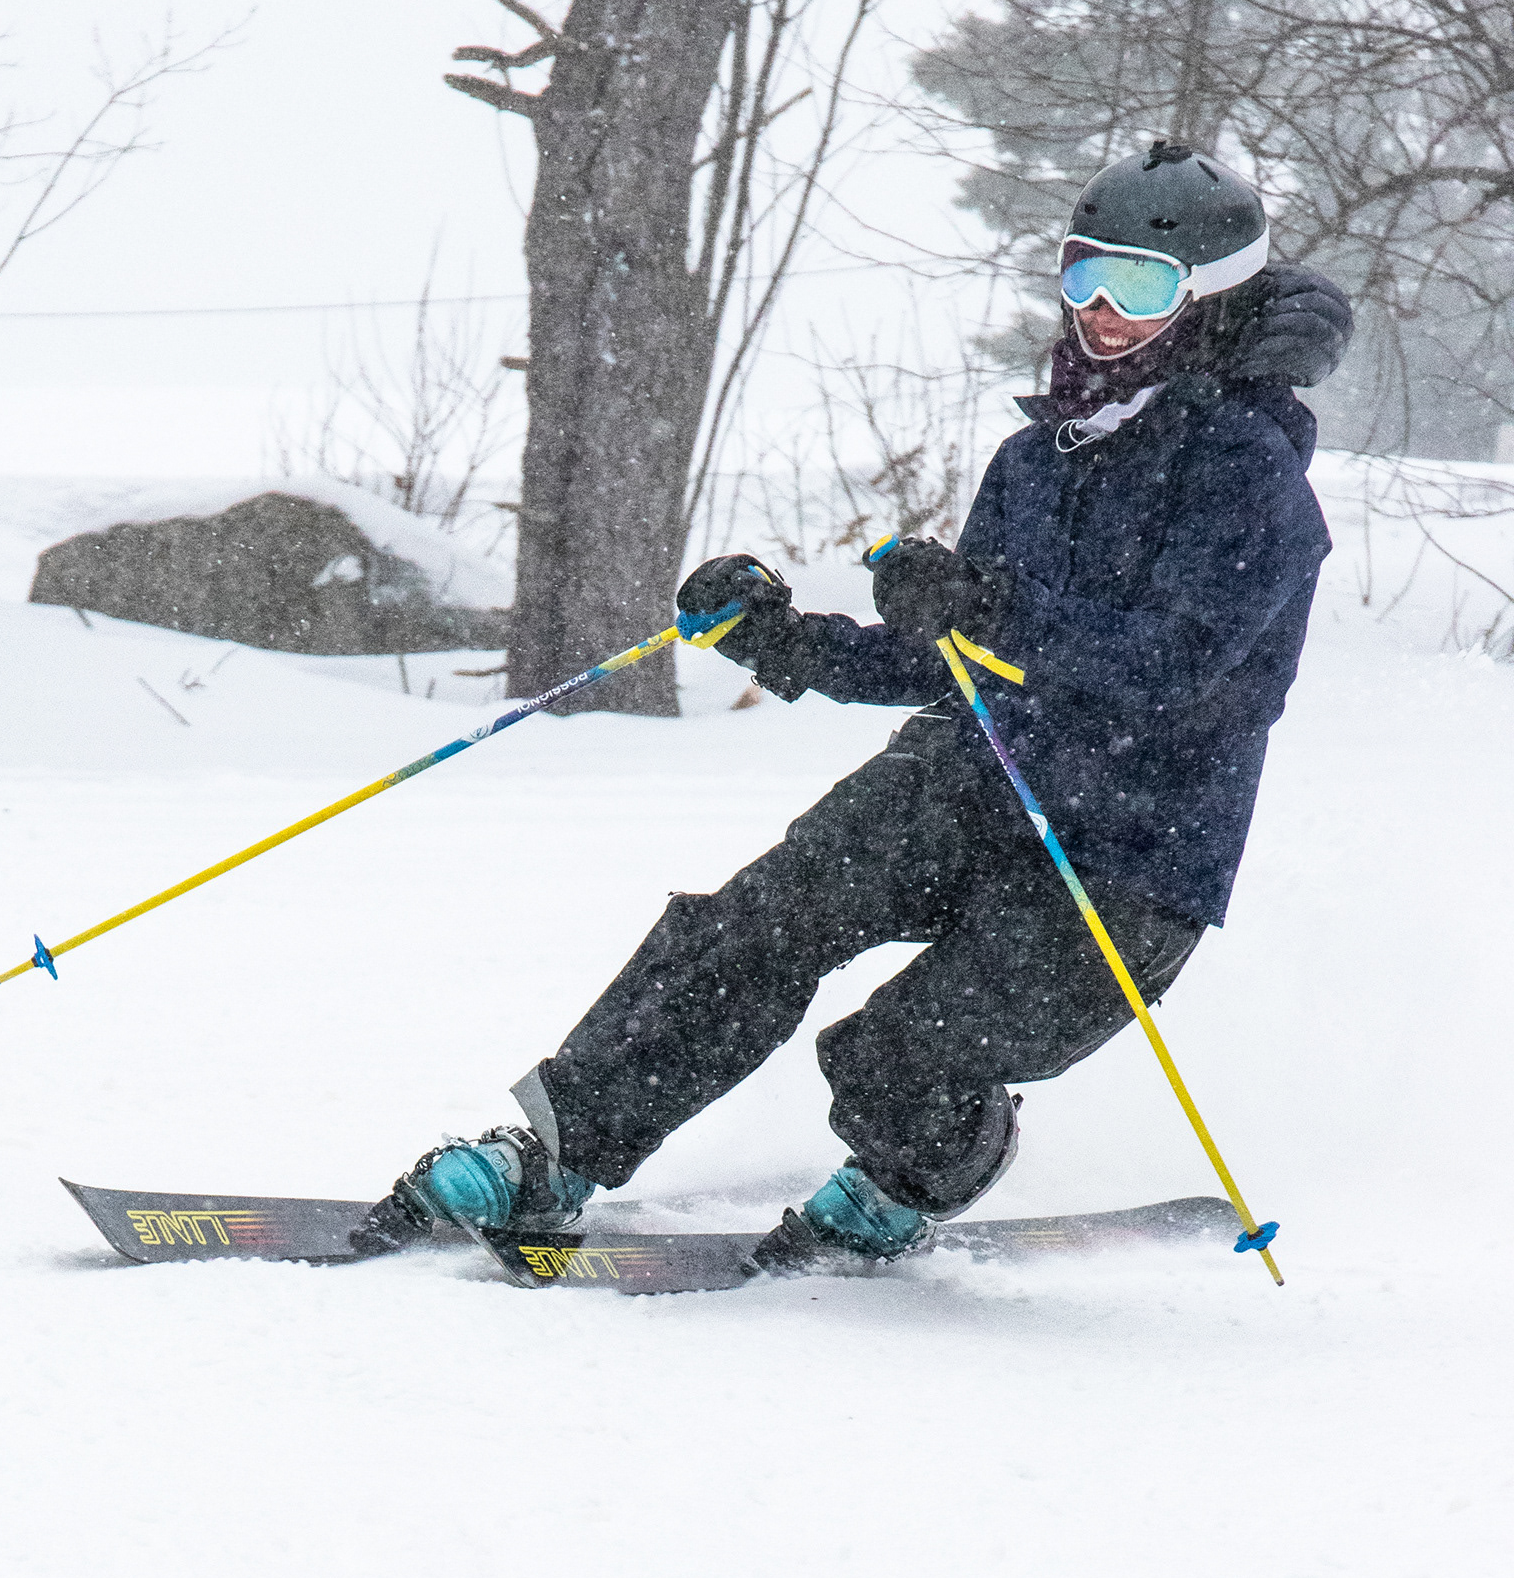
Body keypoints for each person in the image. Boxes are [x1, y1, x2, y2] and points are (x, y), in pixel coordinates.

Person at [360, 141, 1351, 1269]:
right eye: (1084, 274)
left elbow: (1166, 672)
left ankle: (915, 1174)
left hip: (1132, 852)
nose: (1102, 313)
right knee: (752, 929)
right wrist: (789, 641)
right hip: (973, 777)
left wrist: (987, 608)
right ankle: (556, 1154)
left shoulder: (1250, 477)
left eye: (1141, 286)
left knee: (897, 1056)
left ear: (1207, 297)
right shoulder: (1036, 460)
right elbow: (952, 663)